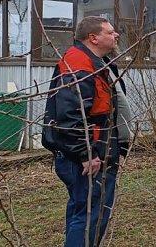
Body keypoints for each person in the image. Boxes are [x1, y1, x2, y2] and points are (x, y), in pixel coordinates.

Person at [42, 16, 121, 247]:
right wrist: (86, 155)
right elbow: (70, 116)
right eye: (110, 32)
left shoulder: (93, 62)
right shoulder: (79, 64)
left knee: (83, 210)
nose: (116, 35)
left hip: (88, 155)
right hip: (85, 159)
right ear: (93, 38)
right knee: (90, 216)